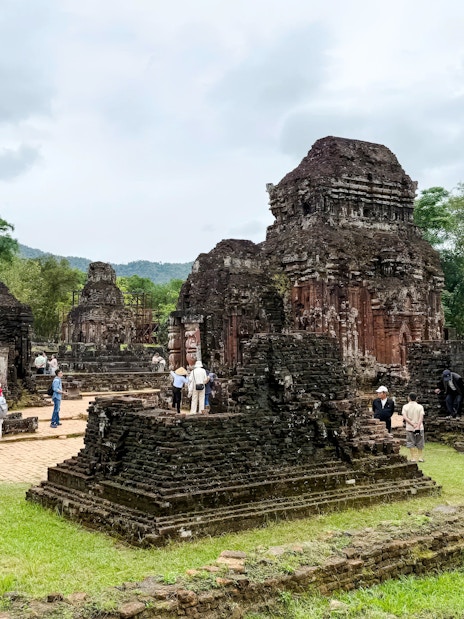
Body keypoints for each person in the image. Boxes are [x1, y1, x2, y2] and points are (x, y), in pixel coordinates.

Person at [402, 392, 425, 462]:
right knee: (420, 442)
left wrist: (412, 424)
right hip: (419, 427)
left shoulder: (405, 406)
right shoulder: (420, 407)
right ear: (416, 398)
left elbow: (405, 417)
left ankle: (413, 458)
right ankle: (420, 457)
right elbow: (421, 417)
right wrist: (417, 426)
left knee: (410, 442)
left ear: (408, 398)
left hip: (410, 428)